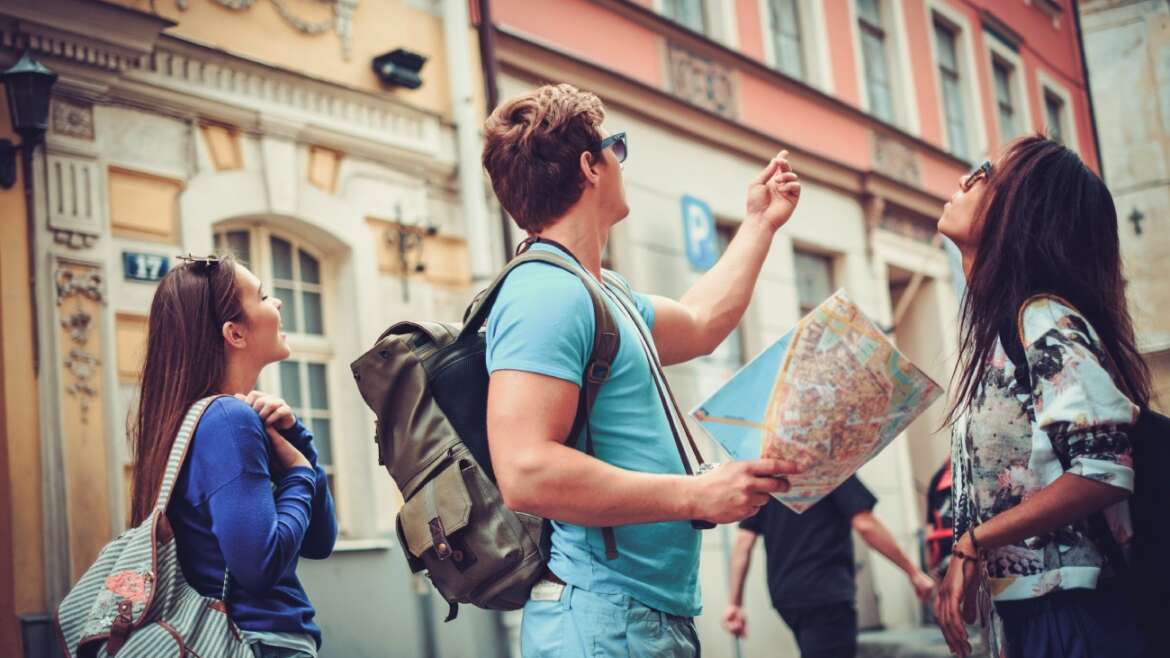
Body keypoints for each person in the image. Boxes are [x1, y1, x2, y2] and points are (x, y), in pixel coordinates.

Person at [481, 83, 803, 657]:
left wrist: (759, 222)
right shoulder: (544, 293)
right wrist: (694, 495)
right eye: (615, 147)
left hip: (637, 617)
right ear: (590, 165)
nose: (619, 161)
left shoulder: (603, 292)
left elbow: (704, 321)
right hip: (603, 618)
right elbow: (525, 471)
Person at [934, 135, 1151, 658]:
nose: (964, 179)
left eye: (984, 172)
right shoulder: (999, 333)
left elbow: (1103, 471)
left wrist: (972, 545)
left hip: (1075, 616)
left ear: (1019, 208)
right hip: (1035, 617)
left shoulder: (1041, 319)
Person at [128, 254, 337, 658]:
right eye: (261, 297)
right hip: (257, 642)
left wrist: (297, 440)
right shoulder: (227, 419)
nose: (277, 304)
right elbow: (258, 569)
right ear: (235, 334)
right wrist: (296, 472)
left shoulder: (212, 418)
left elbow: (320, 539)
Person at [722, 475, 936, 657]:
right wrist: (913, 572)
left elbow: (743, 543)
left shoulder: (770, 479)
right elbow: (865, 524)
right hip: (825, 593)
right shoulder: (830, 469)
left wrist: (735, 603)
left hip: (786, 596)